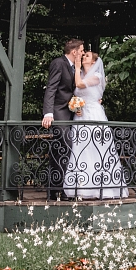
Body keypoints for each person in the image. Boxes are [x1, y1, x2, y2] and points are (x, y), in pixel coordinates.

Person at [63, 50, 129, 199]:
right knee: (80, 149)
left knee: (97, 148)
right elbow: (76, 94)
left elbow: (79, 85)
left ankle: (103, 187)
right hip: (80, 117)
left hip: (94, 114)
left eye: (87, 56)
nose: (83, 56)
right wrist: (76, 107)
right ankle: (81, 188)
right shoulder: (79, 72)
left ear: (93, 62)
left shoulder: (97, 76)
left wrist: (78, 65)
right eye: (83, 54)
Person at [42, 38, 84, 200]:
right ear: (74, 52)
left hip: (70, 112)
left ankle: (58, 189)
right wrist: (48, 113)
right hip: (58, 112)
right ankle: (58, 190)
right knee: (64, 147)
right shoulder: (59, 63)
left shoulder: (74, 67)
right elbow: (51, 87)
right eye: (81, 50)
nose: (82, 53)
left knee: (63, 150)